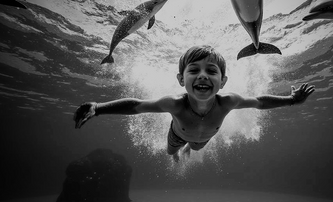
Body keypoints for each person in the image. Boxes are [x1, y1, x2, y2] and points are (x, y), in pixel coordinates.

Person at [74, 45, 315, 162]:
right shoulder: (175, 104)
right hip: (177, 135)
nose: (202, 75)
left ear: (222, 82)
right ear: (181, 79)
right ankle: (179, 152)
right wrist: (98, 108)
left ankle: (190, 148)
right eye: (194, 71)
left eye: (211, 71)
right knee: (171, 151)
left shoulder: (228, 101)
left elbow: (259, 102)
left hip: (204, 137)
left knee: (197, 147)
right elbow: (137, 106)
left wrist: (292, 100)